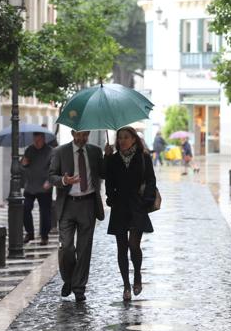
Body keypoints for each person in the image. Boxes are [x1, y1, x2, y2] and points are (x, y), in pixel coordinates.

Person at [49, 130, 107, 302]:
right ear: (73, 133)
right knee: (66, 247)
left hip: (88, 204)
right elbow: (51, 176)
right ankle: (69, 279)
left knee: (84, 250)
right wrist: (64, 181)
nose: (81, 139)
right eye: (78, 135)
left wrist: (108, 157)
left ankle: (79, 287)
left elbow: (103, 174)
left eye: (85, 135)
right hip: (67, 204)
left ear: (88, 134)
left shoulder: (95, 151)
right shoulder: (60, 152)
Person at [105, 127, 156, 301]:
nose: (122, 141)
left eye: (126, 137)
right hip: (119, 206)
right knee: (121, 247)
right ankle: (126, 285)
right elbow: (106, 178)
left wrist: (147, 201)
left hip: (137, 206)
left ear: (134, 139)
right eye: (120, 138)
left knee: (134, 245)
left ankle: (137, 276)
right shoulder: (112, 159)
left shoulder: (143, 158)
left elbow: (151, 180)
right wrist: (106, 156)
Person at [21, 132, 53, 245]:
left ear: (43, 139)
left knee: (45, 213)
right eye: (35, 140)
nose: (36, 142)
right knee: (25, 208)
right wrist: (23, 163)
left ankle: (44, 236)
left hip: (44, 187)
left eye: (38, 140)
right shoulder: (29, 149)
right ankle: (30, 233)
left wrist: (49, 181)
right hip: (30, 186)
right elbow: (24, 165)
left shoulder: (50, 151)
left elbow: (54, 169)